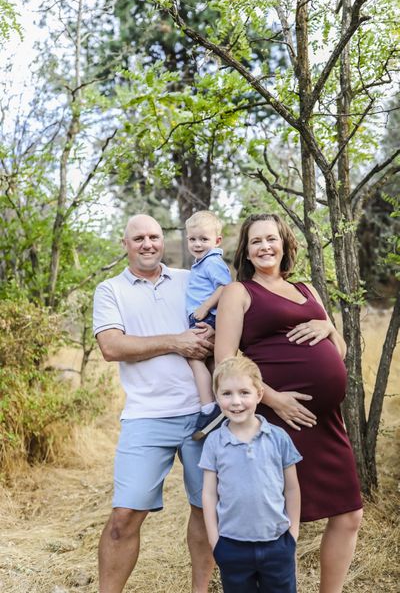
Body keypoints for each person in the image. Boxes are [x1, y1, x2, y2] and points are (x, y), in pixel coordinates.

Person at [215, 213, 363, 593]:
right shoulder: (239, 292)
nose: (265, 247)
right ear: (246, 252)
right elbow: (225, 361)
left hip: (325, 421)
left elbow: (341, 351)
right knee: (274, 520)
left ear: (284, 243)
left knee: (349, 514)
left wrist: (329, 328)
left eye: (271, 239)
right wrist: (274, 399)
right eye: (255, 242)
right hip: (274, 420)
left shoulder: (308, 289)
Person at [92, 214, 215, 593]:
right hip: (146, 417)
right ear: (125, 244)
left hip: (203, 415)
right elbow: (112, 346)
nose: (148, 243)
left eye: (155, 236)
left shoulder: (189, 278)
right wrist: (176, 341)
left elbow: (223, 315)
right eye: (139, 238)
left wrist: (212, 329)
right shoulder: (110, 290)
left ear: (164, 240)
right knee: (124, 517)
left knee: (206, 510)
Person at [200, 355, 302, 593]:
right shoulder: (214, 443)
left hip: (277, 543)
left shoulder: (278, 438)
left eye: (244, 392)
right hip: (232, 546)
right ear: (217, 397)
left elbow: (292, 488)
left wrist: (293, 533)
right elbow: (209, 494)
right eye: (227, 394)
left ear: (259, 394)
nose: (236, 402)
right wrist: (216, 542)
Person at [185, 210, 232, 440]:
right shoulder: (201, 263)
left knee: (193, 357)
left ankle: (208, 408)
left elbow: (226, 287)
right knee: (212, 361)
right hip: (205, 317)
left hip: (207, 317)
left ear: (217, 241)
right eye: (192, 239)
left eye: (204, 239)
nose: (197, 244)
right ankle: (222, 404)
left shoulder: (212, 261)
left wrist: (204, 308)